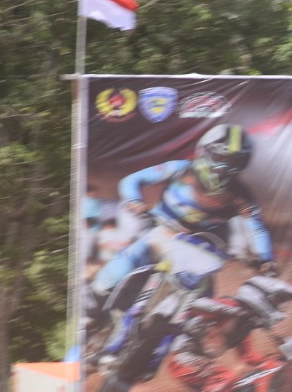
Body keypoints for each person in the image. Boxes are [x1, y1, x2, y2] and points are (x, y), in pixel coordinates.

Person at [83, 122, 276, 348]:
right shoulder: (180, 169)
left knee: (199, 313)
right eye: (220, 157)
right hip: (161, 234)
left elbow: (256, 228)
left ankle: (171, 349)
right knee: (115, 273)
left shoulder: (242, 196)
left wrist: (265, 259)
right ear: (204, 151)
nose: (224, 167)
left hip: (199, 251)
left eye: (234, 161)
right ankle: (88, 316)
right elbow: (132, 180)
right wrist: (134, 201)